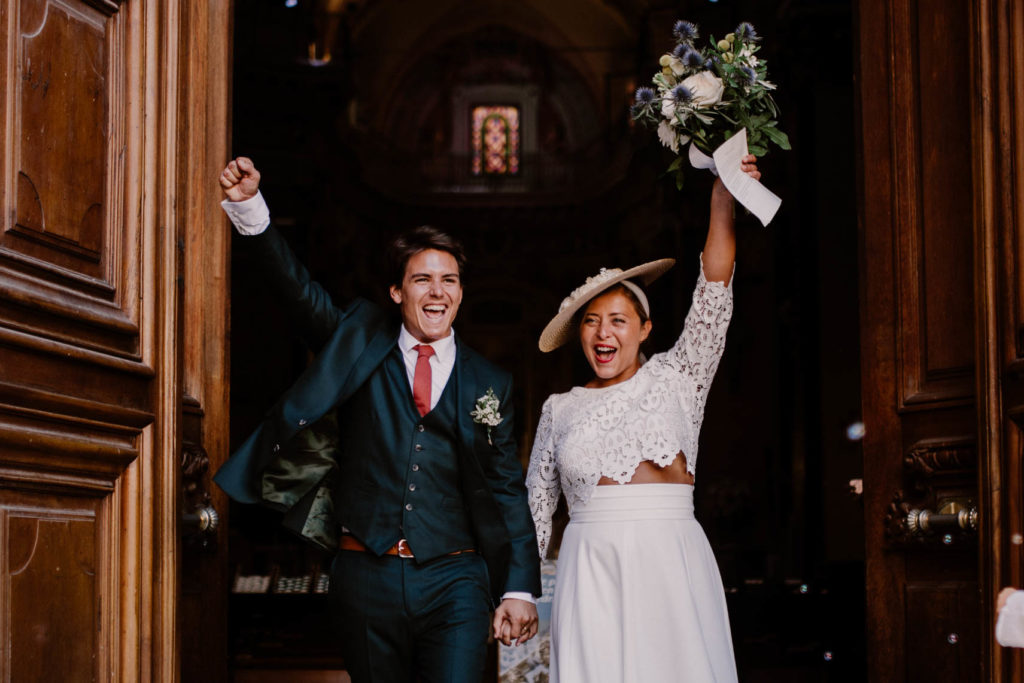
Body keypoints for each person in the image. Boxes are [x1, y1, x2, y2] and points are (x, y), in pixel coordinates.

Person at [213, 157, 541, 682]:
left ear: (460, 292)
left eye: (449, 280)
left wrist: (518, 588)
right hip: (365, 572)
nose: (437, 292)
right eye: (422, 280)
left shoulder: (490, 381)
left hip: (455, 576)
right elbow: (299, 295)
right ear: (397, 292)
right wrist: (251, 208)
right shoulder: (360, 339)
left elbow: (505, 486)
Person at [525, 157, 761, 682]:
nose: (602, 333)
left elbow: (715, 289)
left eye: (616, 320)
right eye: (590, 322)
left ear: (645, 328)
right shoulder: (558, 408)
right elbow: (536, 512)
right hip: (588, 570)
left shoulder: (681, 376)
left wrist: (722, 200)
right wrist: (517, 593)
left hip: (670, 560)